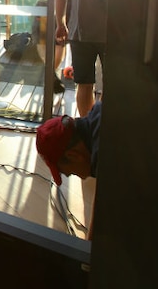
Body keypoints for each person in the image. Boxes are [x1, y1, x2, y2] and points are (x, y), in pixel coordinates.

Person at [35, 100, 101, 239]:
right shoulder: (99, 111)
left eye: (69, 173)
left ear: (74, 156)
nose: (79, 176)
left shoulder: (110, 159)